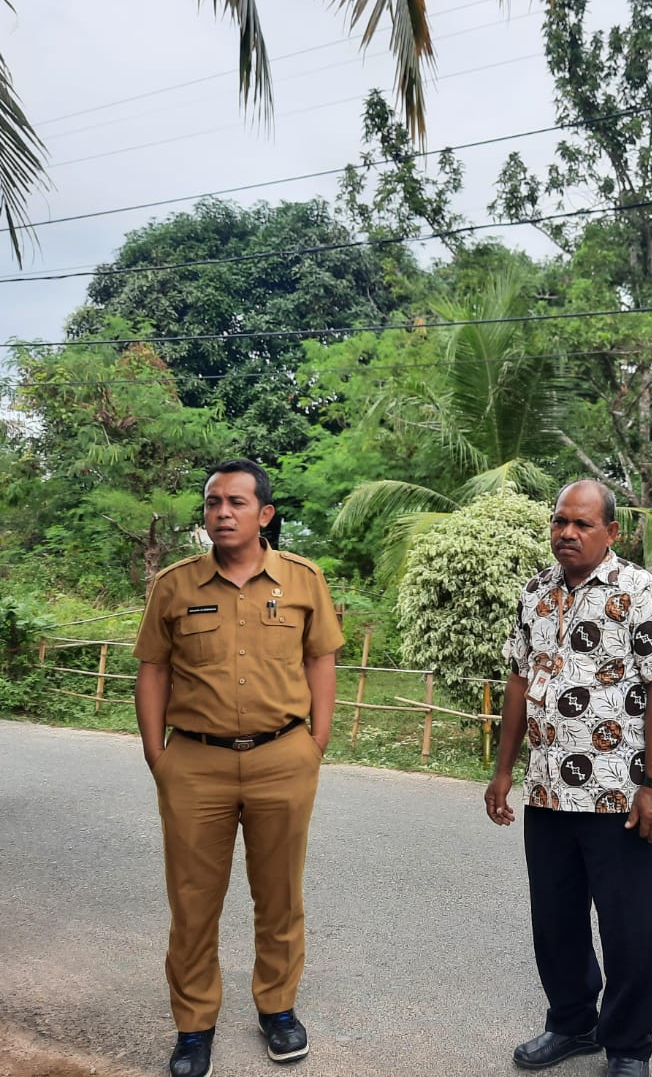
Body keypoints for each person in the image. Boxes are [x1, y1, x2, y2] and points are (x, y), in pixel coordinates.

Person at [133, 459, 344, 1077]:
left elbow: (321, 660)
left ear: (265, 514)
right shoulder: (174, 586)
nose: (222, 513)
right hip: (195, 762)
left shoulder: (304, 580)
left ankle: (277, 1009)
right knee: (193, 900)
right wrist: (157, 755)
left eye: (236, 503)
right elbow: (152, 668)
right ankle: (194, 1025)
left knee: (279, 894)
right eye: (212, 502)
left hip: (283, 758)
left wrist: (316, 742)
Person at [485, 480, 652, 1077]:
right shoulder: (535, 593)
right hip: (547, 789)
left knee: (633, 928)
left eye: (582, 524)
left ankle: (628, 1047)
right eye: (559, 522)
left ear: (611, 533)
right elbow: (519, 683)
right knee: (556, 919)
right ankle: (573, 1022)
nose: (567, 533)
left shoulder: (640, 593)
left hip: (619, 795)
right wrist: (503, 770)